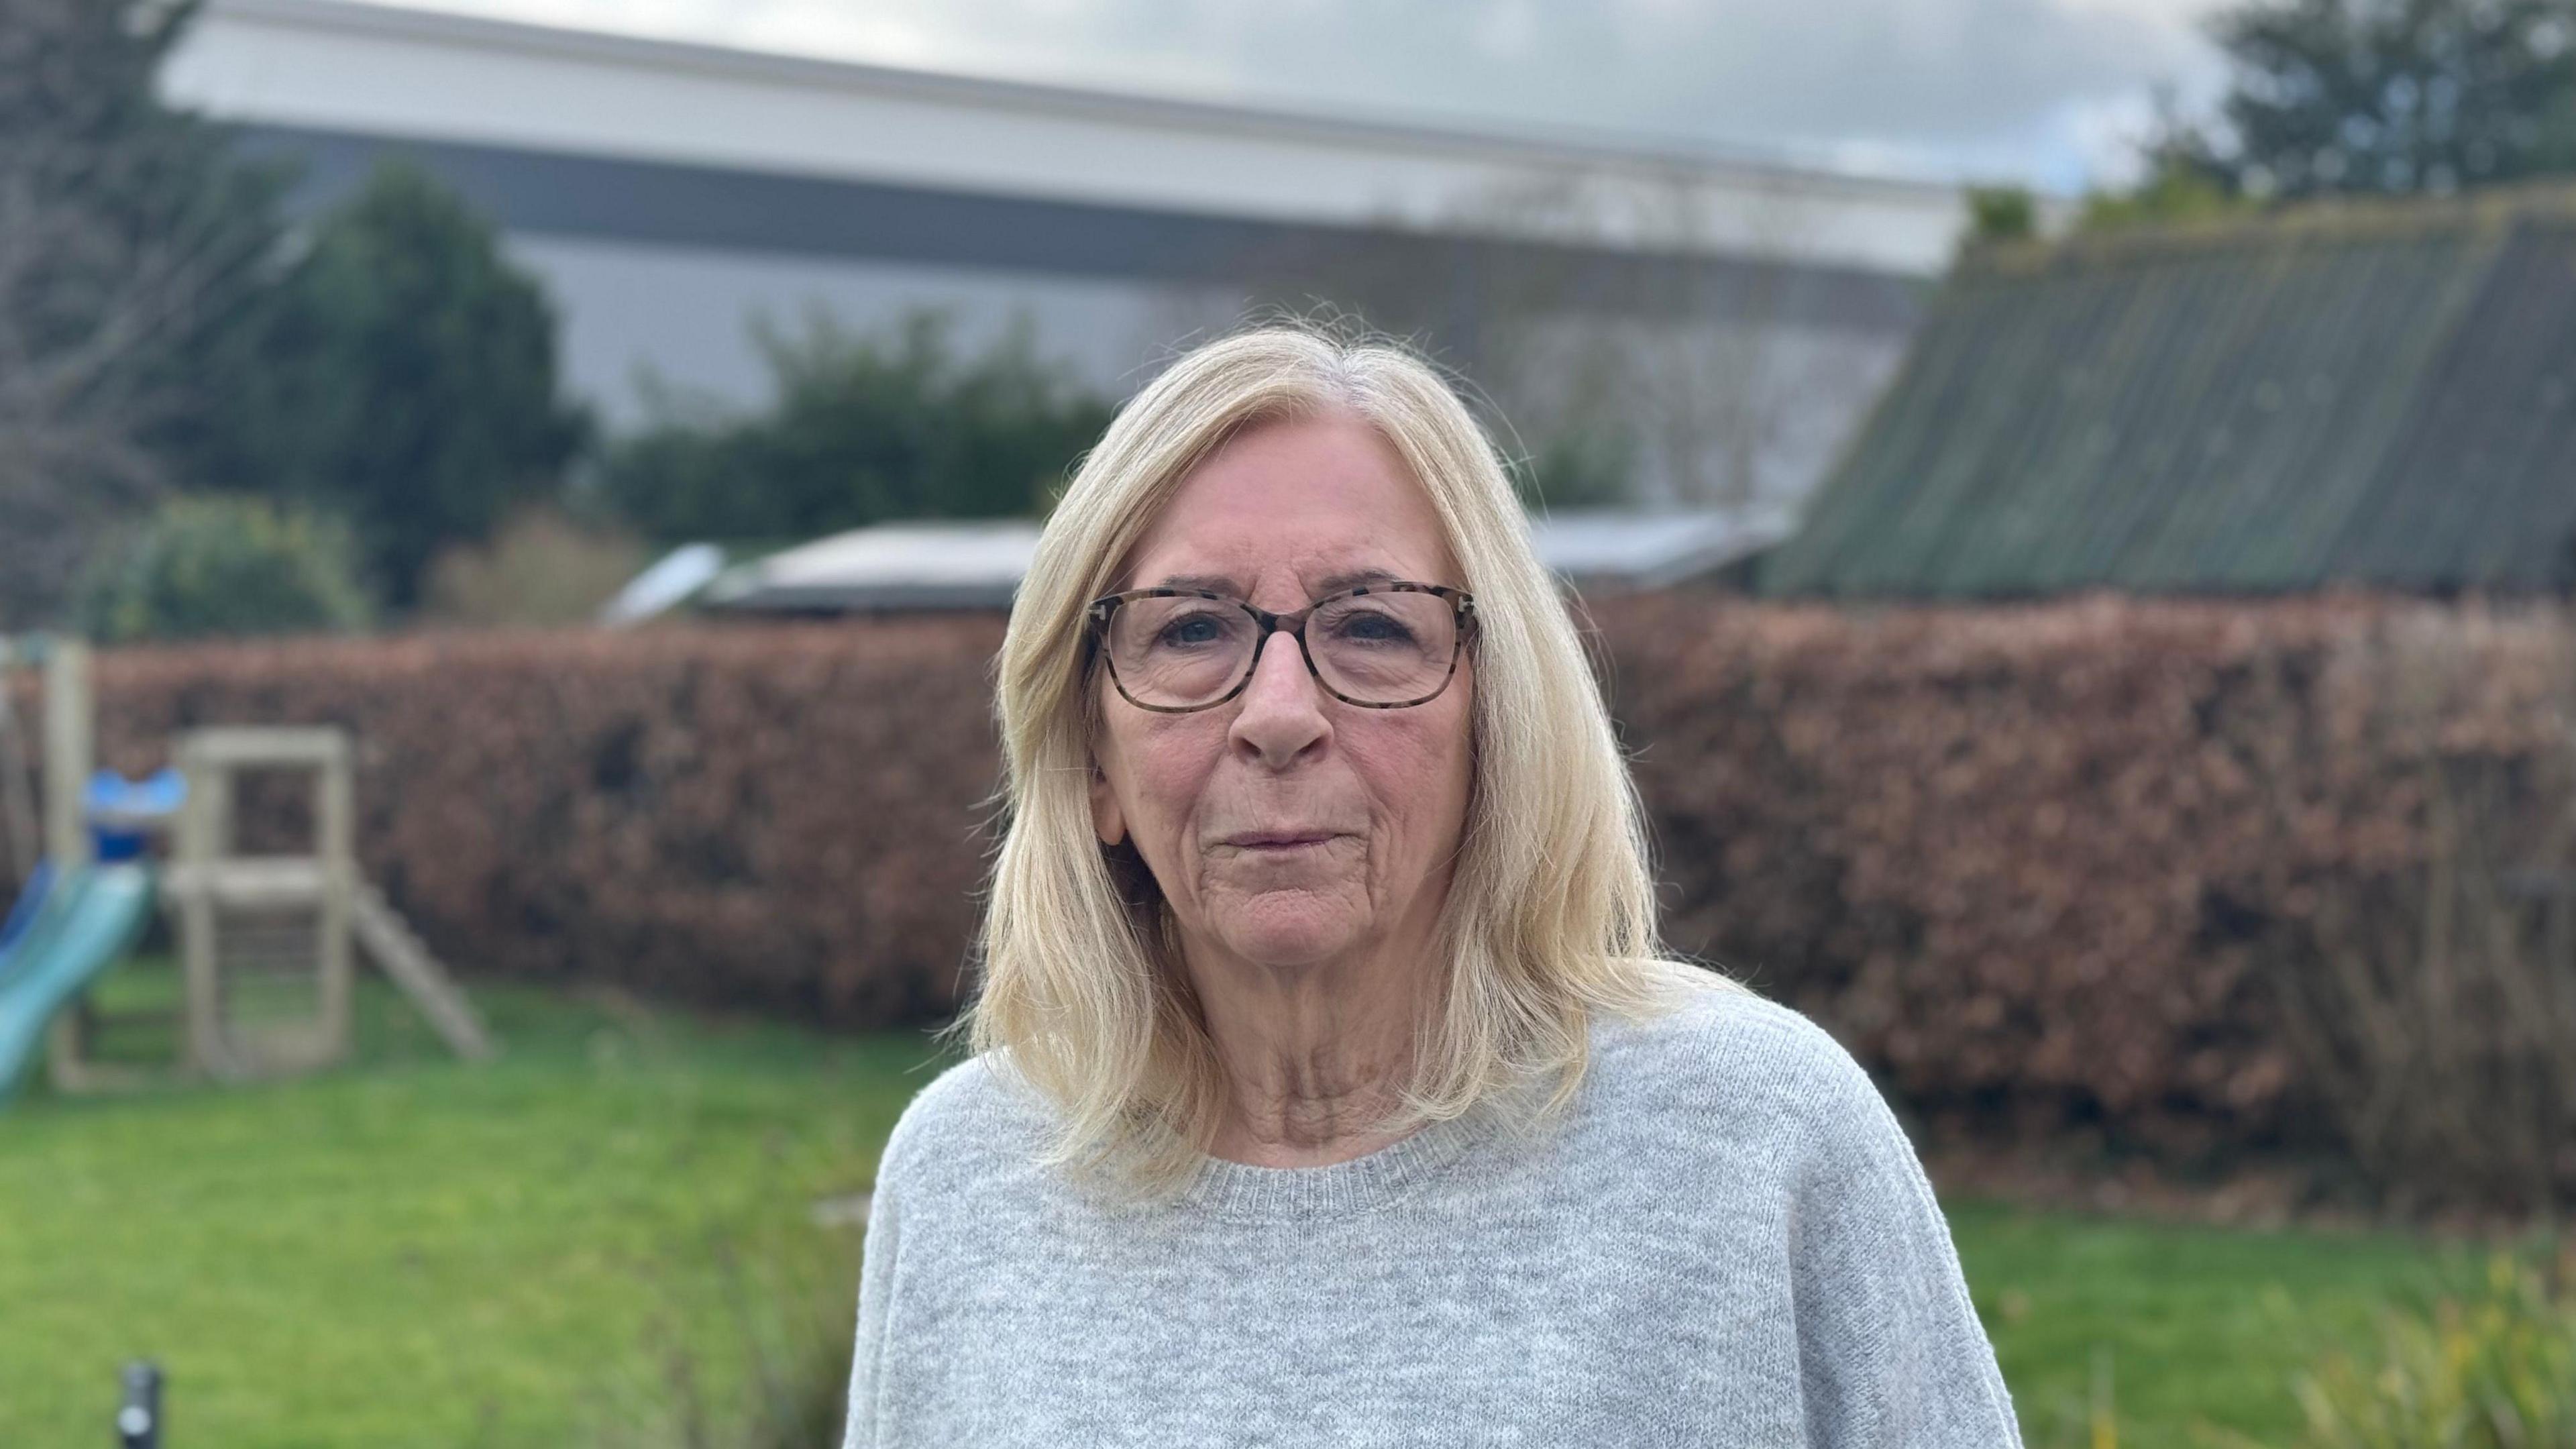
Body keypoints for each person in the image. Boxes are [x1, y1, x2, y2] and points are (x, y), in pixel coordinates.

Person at [841, 324, 2024, 1447]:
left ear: (1496, 724)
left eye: (1371, 627)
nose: (1281, 715)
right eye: (1191, 632)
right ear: (1094, 760)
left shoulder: (1763, 1145)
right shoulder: (967, 1177)